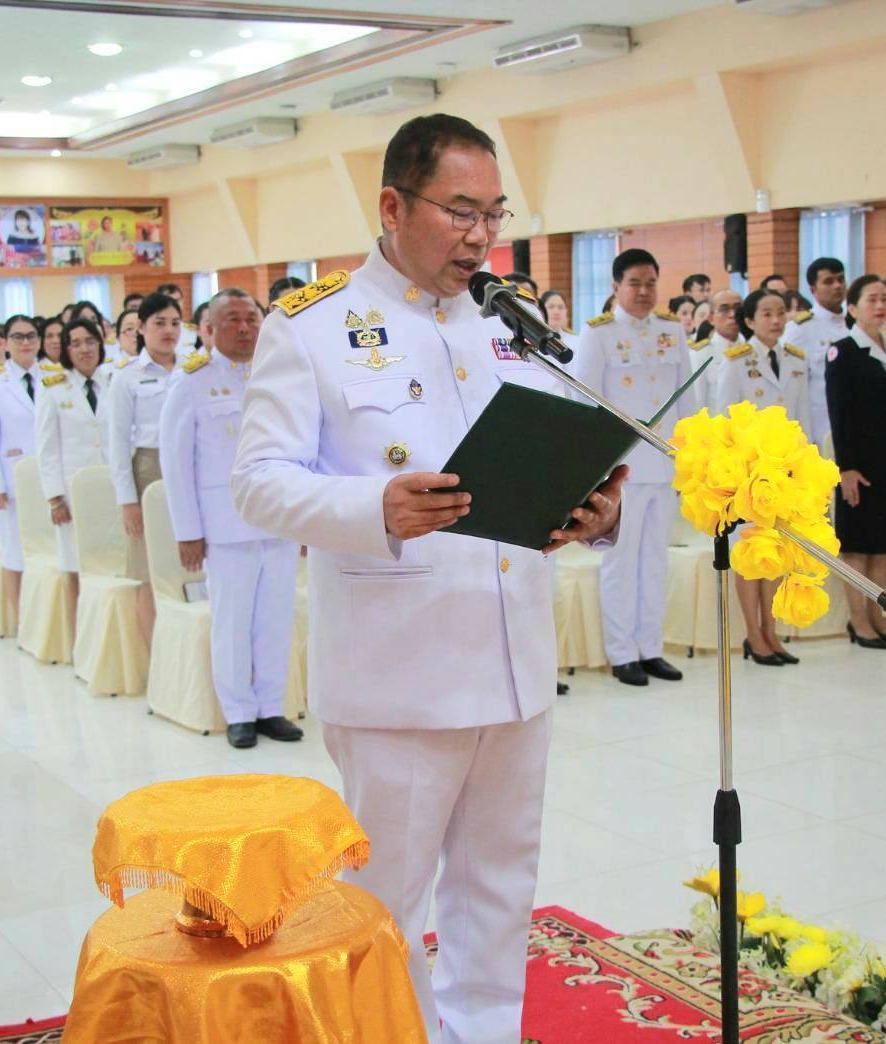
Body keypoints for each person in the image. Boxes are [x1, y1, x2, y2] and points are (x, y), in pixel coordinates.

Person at [231, 113, 624, 1044]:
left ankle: (484, 1031)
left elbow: (548, 457)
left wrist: (587, 511)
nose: (482, 236)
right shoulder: (314, 328)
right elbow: (258, 481)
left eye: (495, 214)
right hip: (399, 669)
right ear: (393, 206)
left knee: (500, 882)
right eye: (460, 212)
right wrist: (375, 508)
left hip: (514, 655)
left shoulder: (505, 324)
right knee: (385, 904)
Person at [159, 289, 303, 749]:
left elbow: (301, 448)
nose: (244, 328)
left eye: (252, 319)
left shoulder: (279, 376)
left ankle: (270, 708)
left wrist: (304, 516)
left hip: (278, 519)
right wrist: (188, 532)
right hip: (225, 525)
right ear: (210, 330)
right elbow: (177, 464)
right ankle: (238, 712)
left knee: (276, 620)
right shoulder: (192, 382)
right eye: (233, 320)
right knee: (232, 622)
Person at [573, 247, 694, 687]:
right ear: (615, 287)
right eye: (634, 283)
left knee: (654, 562)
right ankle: (622, 653)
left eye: (650, 283)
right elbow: (584, 402)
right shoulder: (598, 333)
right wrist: (592, 470)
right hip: (618, 471)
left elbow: (687, 399)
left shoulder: (671, 330)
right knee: (620, 563)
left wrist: (690, 459)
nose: (643, 292)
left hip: (662, 466)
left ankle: (651, 649)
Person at [827, 274, 886, 649]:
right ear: (852, 308)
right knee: (858, 545)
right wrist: (846, 467)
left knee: (884, 543)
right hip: (860, 463)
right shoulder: (843, 351)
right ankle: (858, 620)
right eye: (872, 299)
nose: (880, 306)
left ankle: (878, 615)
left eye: (884, 299)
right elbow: (839, 413)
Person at [717, 288, 810, 665]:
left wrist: (803, 464)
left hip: (785, 472)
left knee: (776, 554)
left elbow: (805, 417)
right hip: (748, 474)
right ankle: (753, 636)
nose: (776, 320)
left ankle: (772, 632)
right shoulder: (736, 361)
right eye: (767, 314)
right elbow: (726, 420)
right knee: (750, 554)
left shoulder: (796, 360)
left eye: (780, 312)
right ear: (750, 321)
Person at [105, 291, 180, 649]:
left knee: (188, 564)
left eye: (175, 323)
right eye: (159, 323)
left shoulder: (192, 370)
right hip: (148, 469)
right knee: (150, 570)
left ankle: (185, 650)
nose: (168, 330)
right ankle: (156, 657)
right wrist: (127, 501)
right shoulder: (126, 377)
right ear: (142, 329)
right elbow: (117, 444)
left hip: (189, 471)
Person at [35, 318, 108, 635]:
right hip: (72, 491)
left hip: (109, 487)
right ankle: (80, 632)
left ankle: (107, 629)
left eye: (90, 341)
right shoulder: (53, 388)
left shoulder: (113, 380)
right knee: (75, 564)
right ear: (66, 349)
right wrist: (54, 498)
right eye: (76, 343)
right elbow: (47, 448)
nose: (84, 349)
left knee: (109, 562)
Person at [0, 314, 43, 612]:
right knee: (14, 551)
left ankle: (45, 612)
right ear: (6, 343)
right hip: (12, 478)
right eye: (18, 337)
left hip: (47, 476)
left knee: (46, 549)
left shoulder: (54, 376)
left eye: (31, 336)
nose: (25, 342)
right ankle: (18, 615)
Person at [783, 257, 848, 446]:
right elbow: (793, 388)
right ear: (813, 290)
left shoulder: (852, 324)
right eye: (828, 281)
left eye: (841, 279)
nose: (837, 286)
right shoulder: (800, 329)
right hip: (820, 431)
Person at [696, 287, 743, 355]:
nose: (733, 314)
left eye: (738, 308)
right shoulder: (700, 354)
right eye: (724, 310)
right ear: (711, 318)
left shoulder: (753, 348)